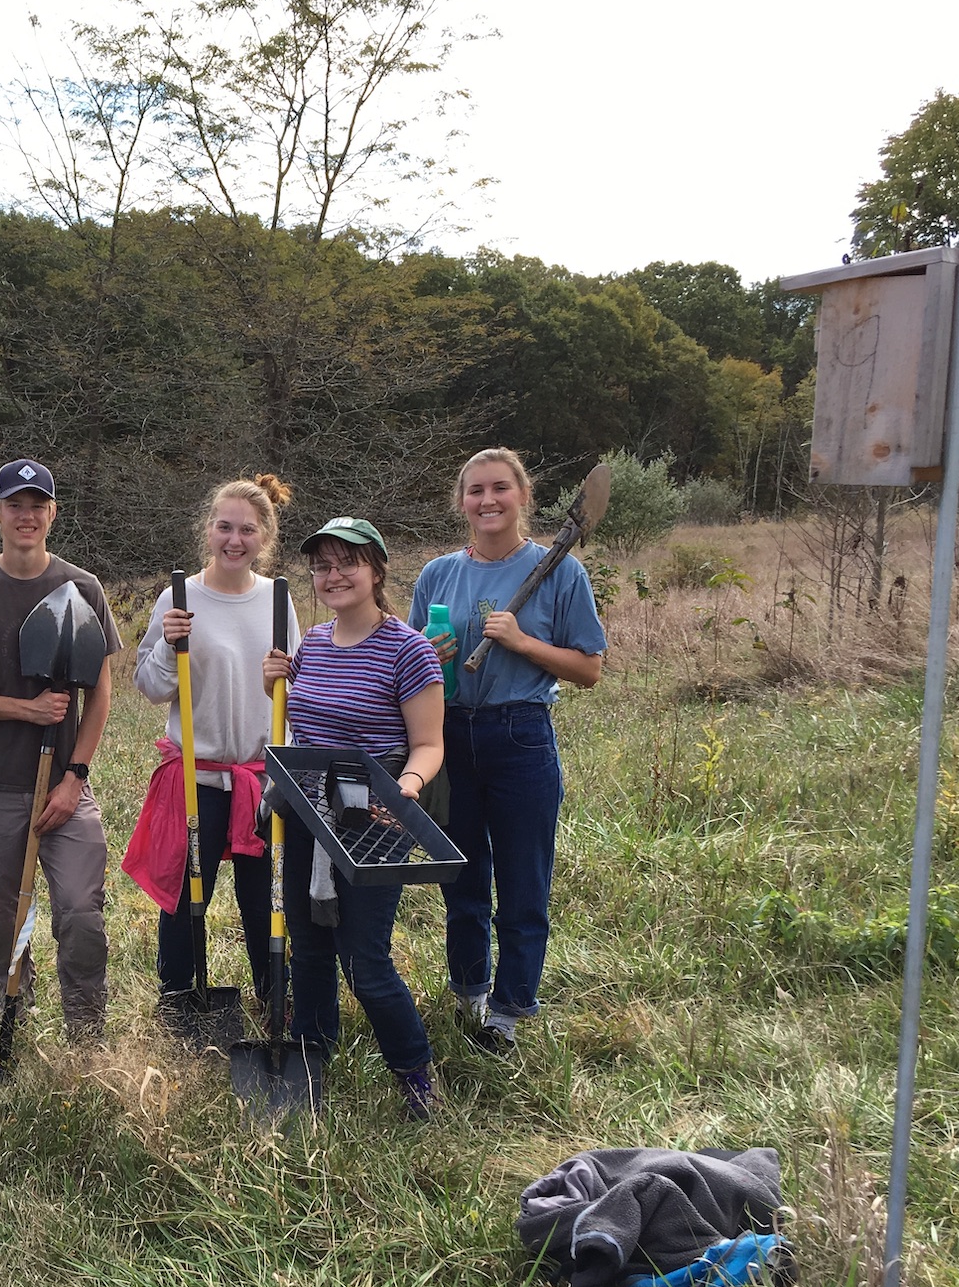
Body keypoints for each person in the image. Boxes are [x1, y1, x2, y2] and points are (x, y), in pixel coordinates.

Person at [409, 447, 606, 1051]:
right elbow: (410, 655)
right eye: (475, 491)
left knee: (524, 880)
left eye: (500, 488)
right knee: (461, 876)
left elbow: (589, 668)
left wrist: (522, 642)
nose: (487, 500)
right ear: (461, 501)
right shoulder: (438, 573)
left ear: (523, 496)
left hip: (520, 734)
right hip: (448, 733)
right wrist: (426, 655)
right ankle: (469, 992)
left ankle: (511, 1009)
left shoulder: (559, 570)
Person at [262, 517, 443, 1117]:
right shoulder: (311, 643)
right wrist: (274, 689)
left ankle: (415, 1074)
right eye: (322, 566)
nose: (333, 575)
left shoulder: (408, 649)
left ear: (376, 570)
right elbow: (305, 724)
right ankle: (312, 1065)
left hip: (375, 818)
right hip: (307, 812)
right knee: (308, 950)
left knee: (365, 961)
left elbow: (428, 745)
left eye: (347, 563)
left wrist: (406, 790)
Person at [0, 459, 122, 1042]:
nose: (26, 515)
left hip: (65, 788)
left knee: (79, 911)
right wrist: (25, 709)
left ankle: (85, 1031)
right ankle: (16, 1011)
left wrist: (75, 777)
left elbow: (98, 693)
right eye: (14, 505)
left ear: (52, 514)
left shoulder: (81, 587)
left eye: (37, 505)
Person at [125, 475, 301, 1004]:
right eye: (224, 526)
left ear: (263, 538)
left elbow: (297, 687)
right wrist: (168, 645)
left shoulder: (276, 601)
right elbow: (152, 688)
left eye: (247, 529)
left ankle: (275, 998)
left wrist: (285, 676)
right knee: (184, 896)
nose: (234, 539)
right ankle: (179, 998)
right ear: (208, 530)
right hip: (196, 775)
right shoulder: (179, 599)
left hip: (260, 776)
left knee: (263, 896)